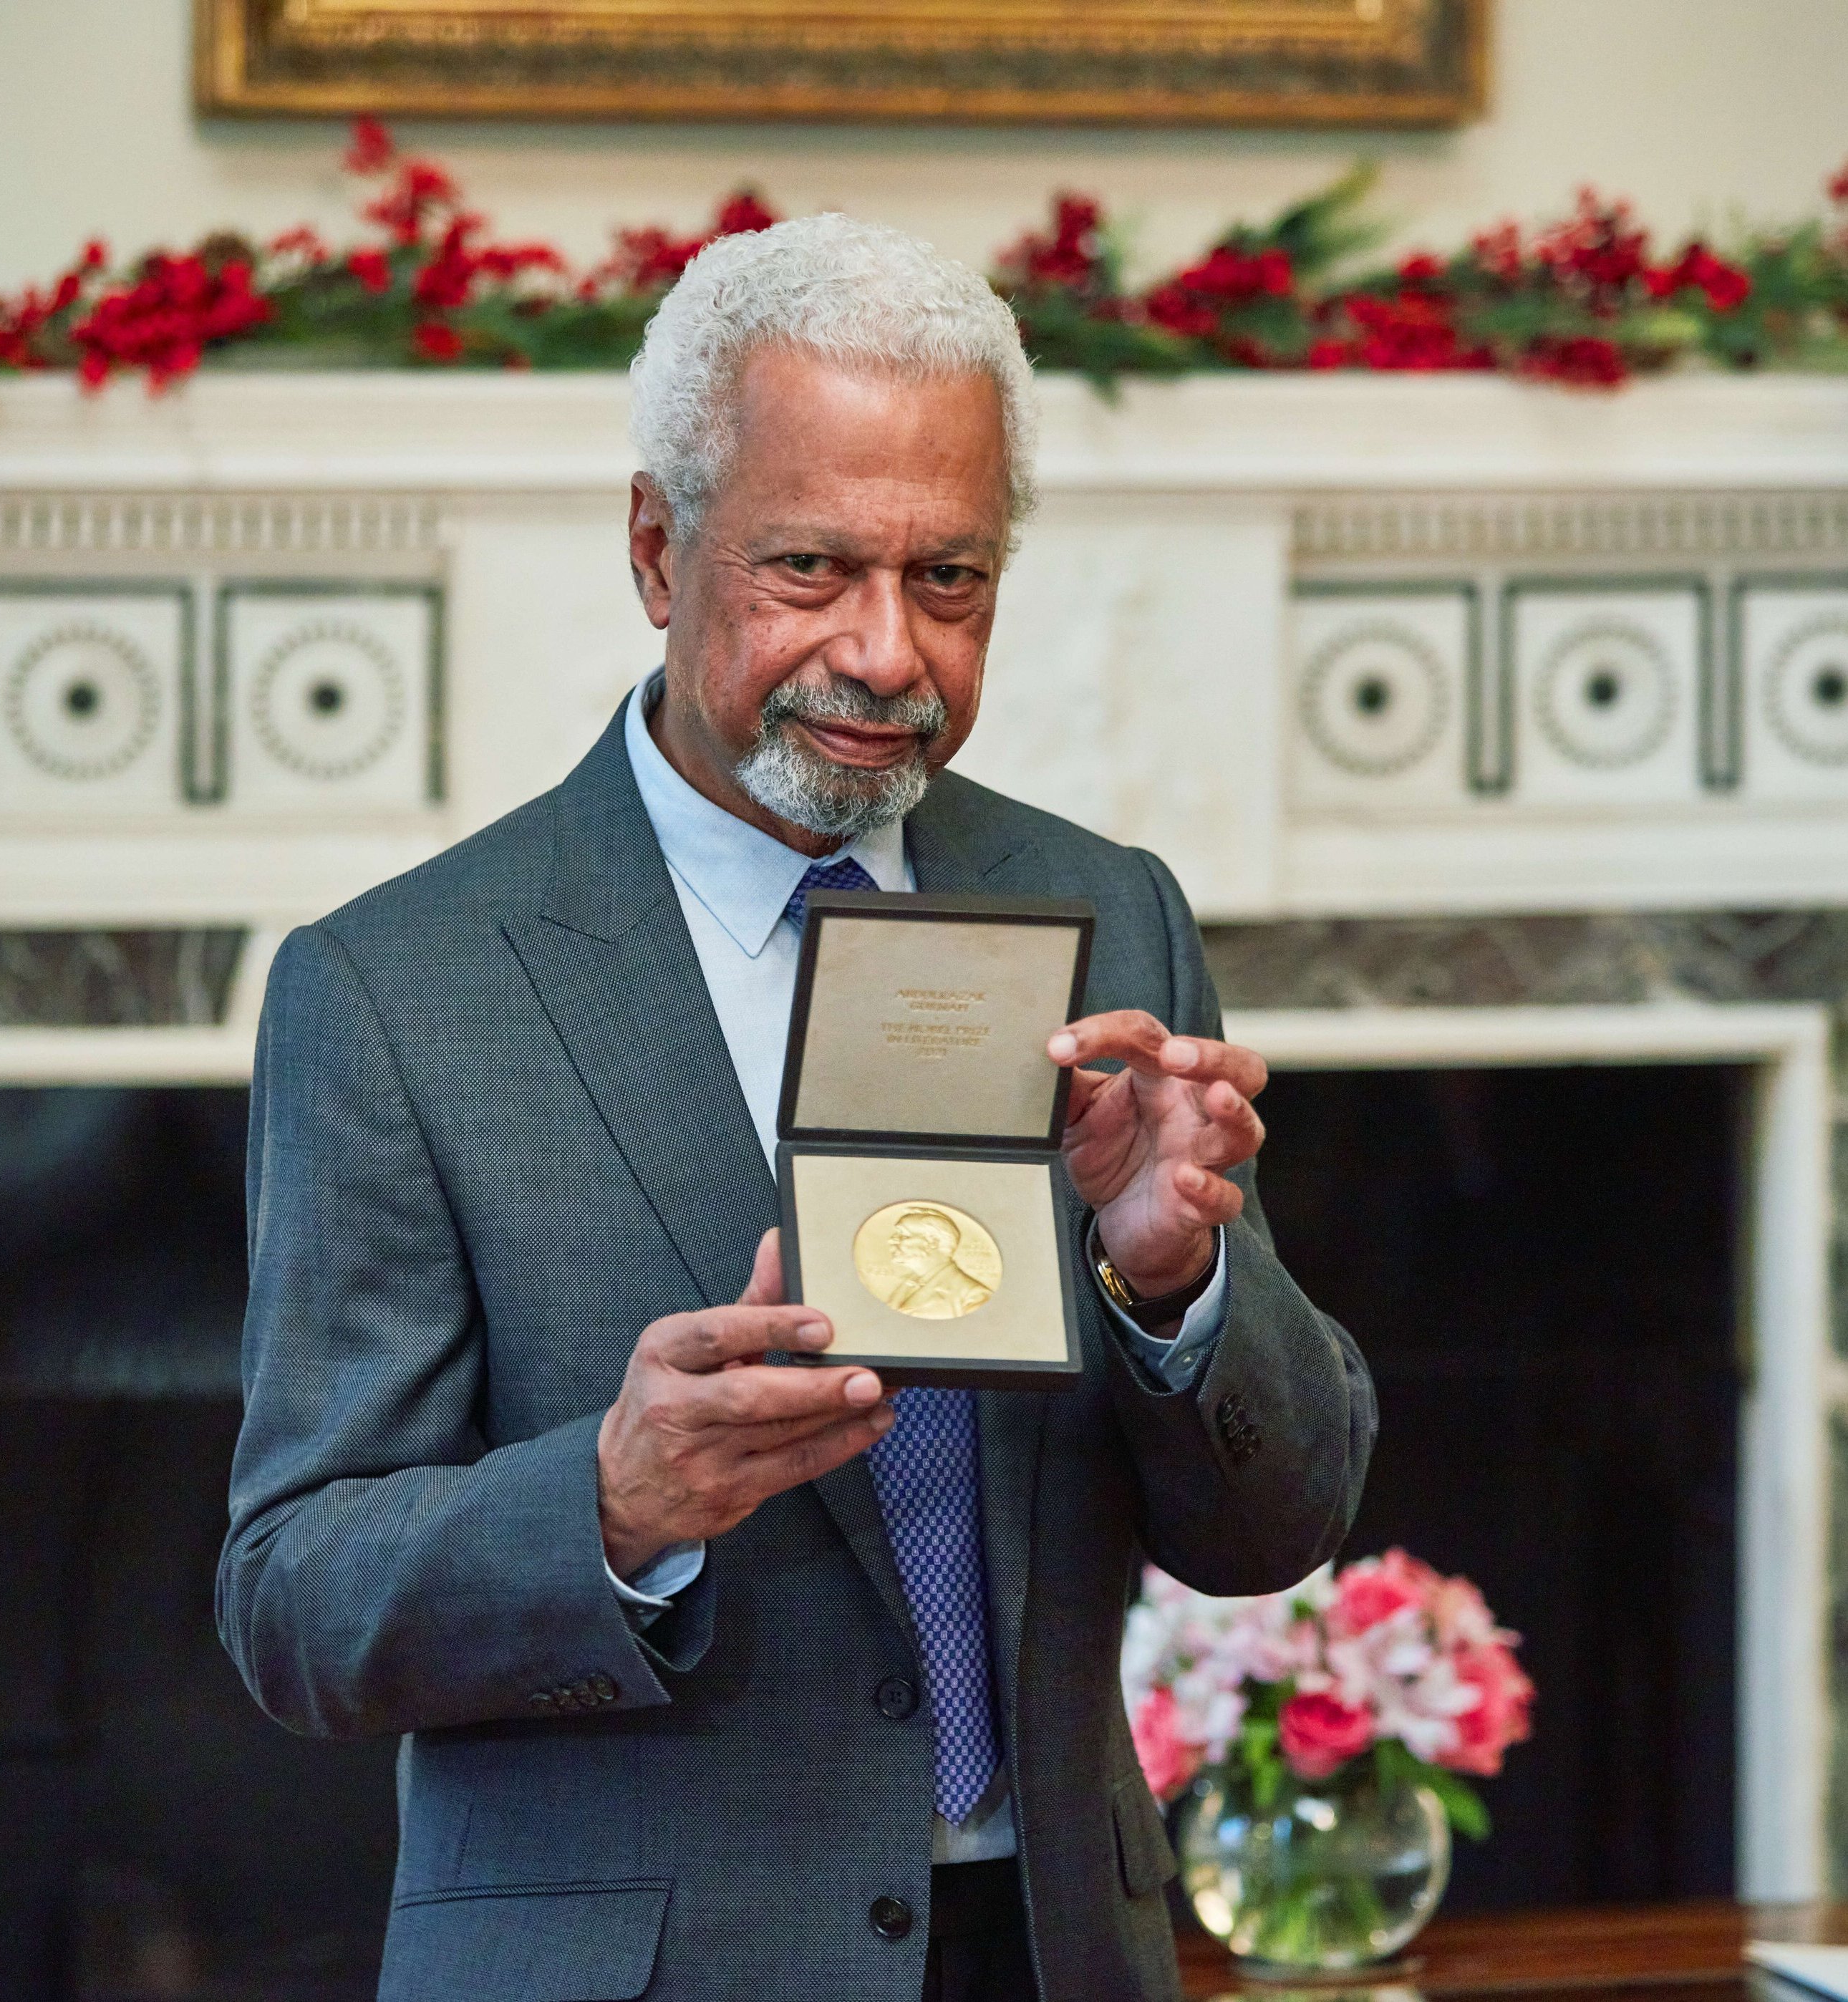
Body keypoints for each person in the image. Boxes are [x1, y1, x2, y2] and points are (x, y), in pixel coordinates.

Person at [218, 212, 1375, 2002]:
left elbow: (1273, 1526)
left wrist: (1172, 1289)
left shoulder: (1111, 915)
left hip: (1055, 1952)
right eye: (813, 568)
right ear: (655, 548)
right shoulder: (394, 989)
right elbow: (292, 1604)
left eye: (952, 580)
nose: (889, 653)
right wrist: (607, 1504)